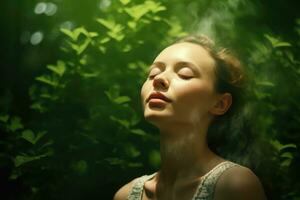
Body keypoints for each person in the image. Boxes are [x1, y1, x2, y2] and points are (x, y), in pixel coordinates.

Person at [113, 35, 267, 200]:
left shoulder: (235, 186)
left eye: (184, 74)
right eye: (153, 73)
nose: (158, 79)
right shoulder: (124, 195)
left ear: (220, 104)